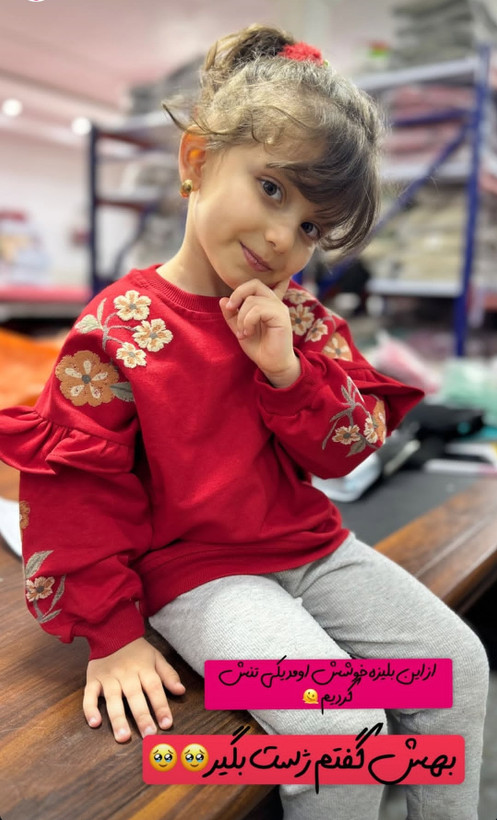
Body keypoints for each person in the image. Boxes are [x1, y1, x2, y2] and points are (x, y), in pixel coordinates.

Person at [0, 24, 488, 820]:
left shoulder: (300, 318)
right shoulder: (117, 328)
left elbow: (345, 449)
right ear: (196, 160)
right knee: (339, 726)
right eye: (271, 188)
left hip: (314, 551)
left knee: (457, 669)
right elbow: (77, 489)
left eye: (310, 227)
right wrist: (113, 637)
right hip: (198, 577)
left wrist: (288, 373)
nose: (282, 237)